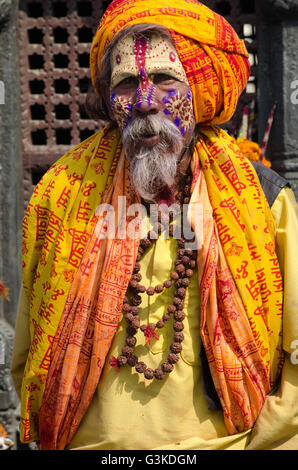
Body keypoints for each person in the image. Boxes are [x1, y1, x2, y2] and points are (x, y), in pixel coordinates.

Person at [11, 0, 298, 451]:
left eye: (165, 80)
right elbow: (31, 348)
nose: (145, 101)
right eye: (127, 83)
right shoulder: (61, 195)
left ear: (201, 90)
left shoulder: (262, 198)